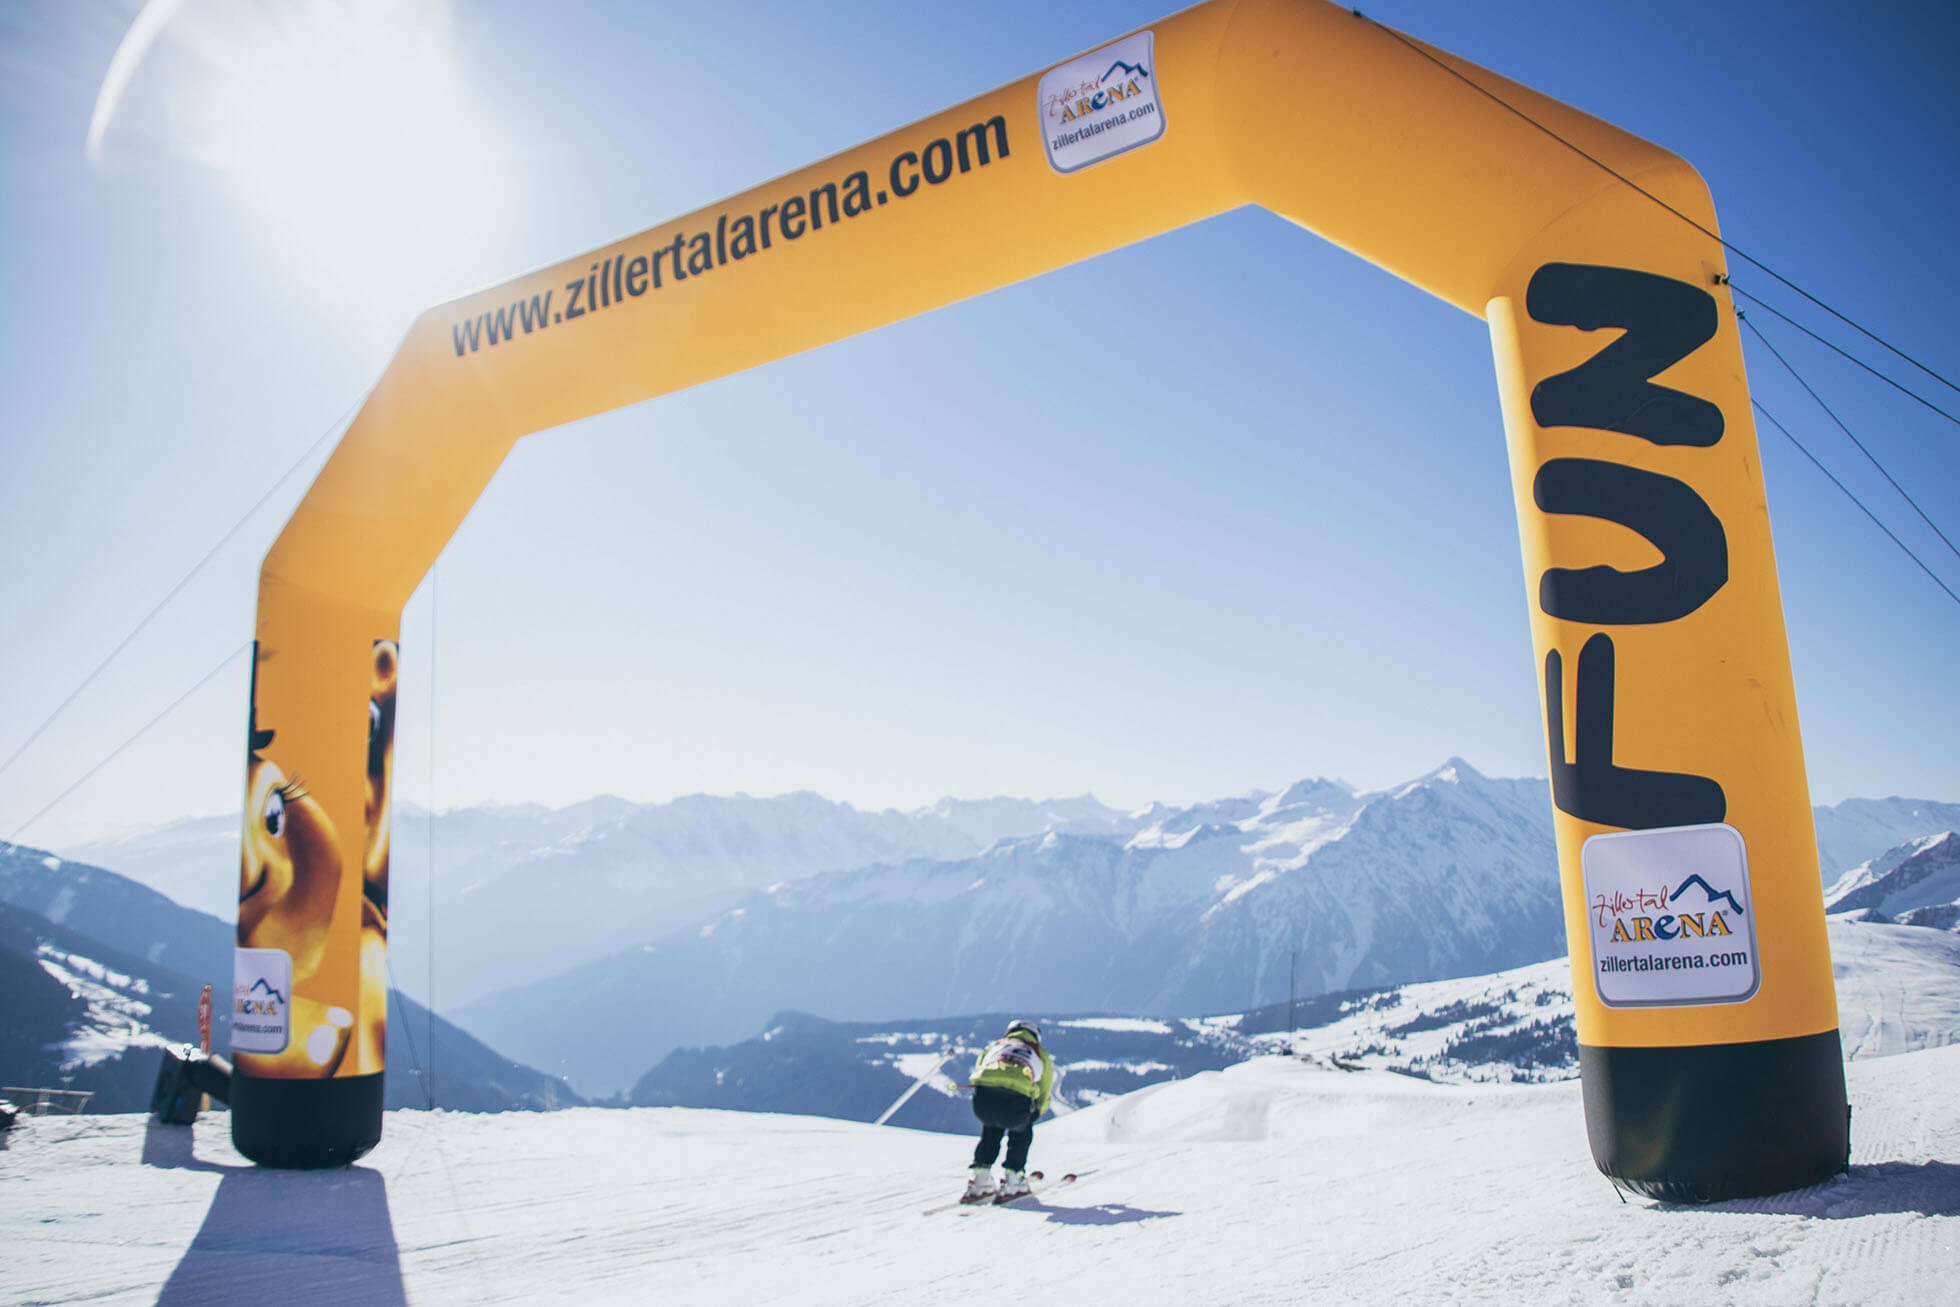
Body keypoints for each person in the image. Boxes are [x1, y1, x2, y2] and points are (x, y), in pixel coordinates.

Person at [962, 1020, 1054, 1202]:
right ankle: (1014, 1178)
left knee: (991, 1128)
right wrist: (1034, 1114)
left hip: (983, 1101)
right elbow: (1044, 1088)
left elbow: (980, 1068)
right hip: (1017, 1103)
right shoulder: (1039, 1053)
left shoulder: (995, 1046)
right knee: (1021, 1131)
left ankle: (980, 1179)